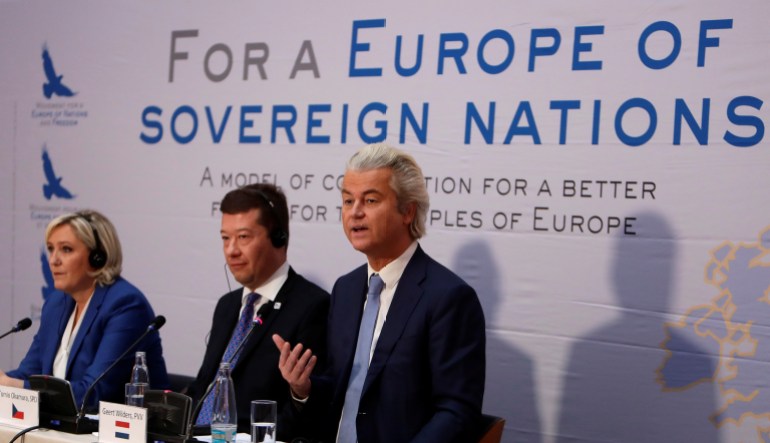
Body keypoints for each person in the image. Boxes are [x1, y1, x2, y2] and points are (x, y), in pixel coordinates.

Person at [274, 143, 486, 443]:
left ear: (407, 211)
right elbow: (341, 389)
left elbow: (457, 411)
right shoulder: (345, 289)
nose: (355, 212)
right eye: (348, 201)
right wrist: (304, 388)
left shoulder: (448, 298)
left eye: (370, 200)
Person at [187, 183, 329, 440]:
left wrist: (300, 392)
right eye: (225, 238)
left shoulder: (312, 306)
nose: (231, 250)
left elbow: (306, 410)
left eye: (243, 237)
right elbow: (202, 387)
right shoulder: (227, 306)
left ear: (279, 238)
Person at [0, 210, 169, 410]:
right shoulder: (56, 303)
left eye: (66, 249)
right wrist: (6, 382)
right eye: (50, 249)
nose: (53, 260)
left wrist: (14, 386)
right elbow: (28, 374)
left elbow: (92, 393)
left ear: (98, 257)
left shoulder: (126, 305)